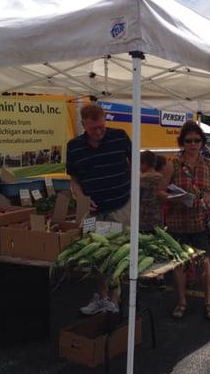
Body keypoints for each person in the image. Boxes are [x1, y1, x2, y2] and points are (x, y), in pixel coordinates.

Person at [158, 121, 210, 320]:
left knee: (206, 262)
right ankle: (181, 301)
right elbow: (160, 192)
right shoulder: (171, 164)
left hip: (201, 221)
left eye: (197, 140)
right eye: (188, 140)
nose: (193, 144)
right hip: (178, 222)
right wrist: (174, 198)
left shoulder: (208, 164)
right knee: (180, 264)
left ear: (202, 142)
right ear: (182, 142)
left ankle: (209, 301)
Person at [66, 103, 132, 315]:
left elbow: (135, 164)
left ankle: (114, 299)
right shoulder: (74, 147)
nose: (100, 131)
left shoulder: (120, 137)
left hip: (119, 207)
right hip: (92, 212)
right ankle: (101, 297)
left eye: (102, 126)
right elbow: (74, 180)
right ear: (84, 124)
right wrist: (81, 197)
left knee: (116, 254)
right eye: (95, 128)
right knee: (95, 256)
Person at [140, 150, 163, 232]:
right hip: (158, 218)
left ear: (144, 163)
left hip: (143, 219)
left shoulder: (141, 179)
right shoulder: (161, 177)